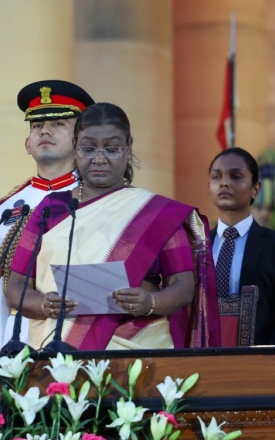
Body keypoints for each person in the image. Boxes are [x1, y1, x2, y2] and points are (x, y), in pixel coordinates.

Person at [6, 102, 220, 351]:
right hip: (57, 348)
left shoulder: (156, 212)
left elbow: (183, 286)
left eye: (112, 148)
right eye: (88, 148)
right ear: (75, 147)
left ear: (128, 147)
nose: (99, 159)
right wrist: (44, 304)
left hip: (138, 349)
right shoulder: (50, 209)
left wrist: (149, 302)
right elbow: (16, 287)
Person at [0, 80, 95, 347]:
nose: (44, 131)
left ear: (80, 140)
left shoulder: (98, 199)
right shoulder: (6, 205)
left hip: (70, 334)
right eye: (37, 126)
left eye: (58, 124)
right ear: (27, 143)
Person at [209, 147, 275, 346]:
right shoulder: (196, 245)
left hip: (260, 362)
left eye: (235, 176)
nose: (224, 182)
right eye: (216, 177)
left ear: (255, 188)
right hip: (202, 358)